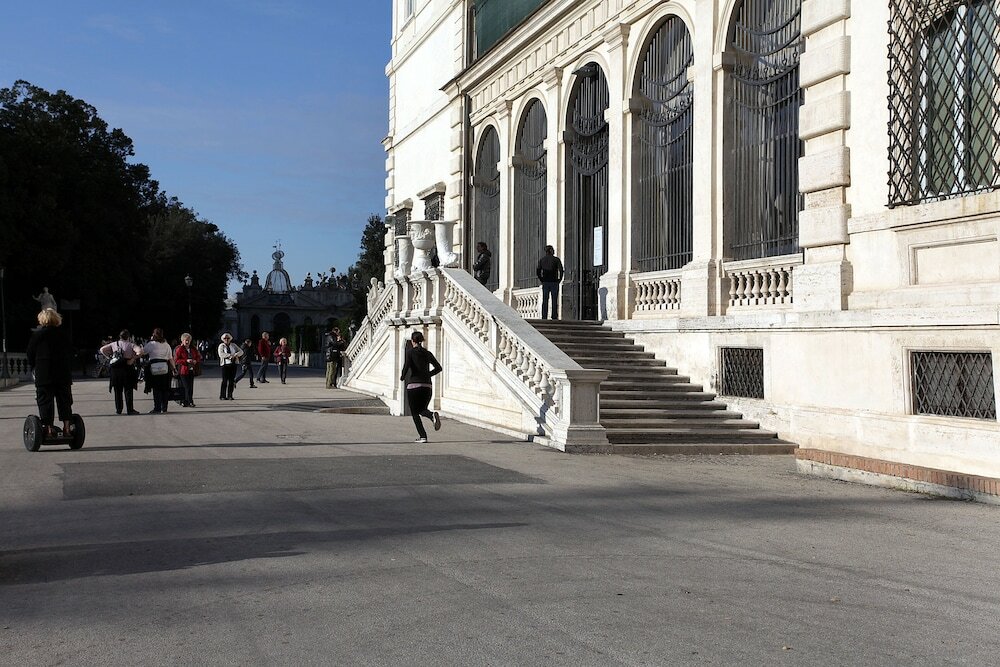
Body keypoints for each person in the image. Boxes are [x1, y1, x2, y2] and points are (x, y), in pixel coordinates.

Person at [26, 308, 74, 437]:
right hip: (62, 372)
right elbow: (71, 352)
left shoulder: (37, 335)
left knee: (45, 401)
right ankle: (67, 427)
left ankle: (48, 429)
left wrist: (34, 366)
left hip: (44, 373)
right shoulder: (63, 334)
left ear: (42, 319)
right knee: (65, 400)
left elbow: (30, 354)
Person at [399, 330, 442, 443]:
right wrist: (428, 375)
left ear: (412, 341)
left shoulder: (410, 352)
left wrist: (402, 377)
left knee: (415, 412)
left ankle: (423, 436)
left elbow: (406, 366)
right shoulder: (428, 353)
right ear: (422, 340)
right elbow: (439, 368)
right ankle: (431, 415)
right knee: (422, 409)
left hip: (414, 385)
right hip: (427, 386)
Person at [100, 330, 142, 415]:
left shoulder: (114, 344)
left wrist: (109, 357)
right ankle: (130, 409)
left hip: (116, 369)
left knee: (117, 390)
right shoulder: (131, 345)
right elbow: (140, 351)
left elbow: (102, 349)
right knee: (128, 390)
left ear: (120, 336)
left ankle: (118, 409)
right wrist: (133, 358)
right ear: (128, 337)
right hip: (127, 368)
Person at [142, 327, 175, 414]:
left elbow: (143, 352)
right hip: (165, 367)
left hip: (154, 367)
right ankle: (164, 407)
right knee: (165, 388)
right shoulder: (167, 345)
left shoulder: (151, 344)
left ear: (154, 334)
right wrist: (174, 369)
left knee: (156, 388)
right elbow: (170, 358)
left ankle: (157, 408)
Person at [536, 245, 565, 319]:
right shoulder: (556, 260)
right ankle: (554, 315)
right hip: (554, 282)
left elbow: (538, 271)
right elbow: (561, 270)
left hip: (545, 282)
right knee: (554, 300)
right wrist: (559, 280)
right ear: (551, 251)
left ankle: (544, 316)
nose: (554, 251)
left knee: (545, 300)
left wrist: (542, 279)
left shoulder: (542, 260)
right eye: (553, 250)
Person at [174, 332, 201, 408]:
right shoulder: (180, 349)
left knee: (191, 387)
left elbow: (198, 356)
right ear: (182, 340)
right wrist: (186, 361)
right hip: (183, 370)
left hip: (191, 370)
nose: (187, 342)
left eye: (188, 340)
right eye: (185, 340)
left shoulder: (193, 348)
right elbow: (176, 360)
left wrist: (195, 361)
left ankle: (187, 401)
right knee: (186, 387)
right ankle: (188, 401)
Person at [217, 332, 242, 400]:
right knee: (225, 380)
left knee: (231, 380)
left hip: (233, 364)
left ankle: (230, 395)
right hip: (225, 365)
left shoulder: (233, 345)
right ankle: (222, 395)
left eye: (228, 338)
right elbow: (221, 354)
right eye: (225, 338)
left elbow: (241, 351)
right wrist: (230, 356)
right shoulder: (221, 346)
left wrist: (236, 355)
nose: (226, 339)